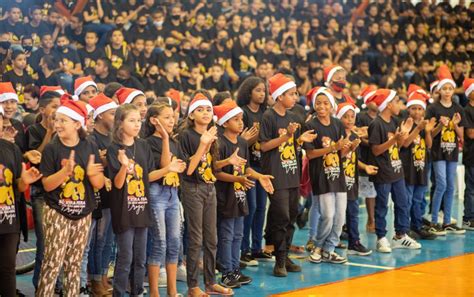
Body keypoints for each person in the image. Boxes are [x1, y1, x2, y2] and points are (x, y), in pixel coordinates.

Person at [106, 104, 178, 296]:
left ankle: (137, 291)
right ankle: (119, 292)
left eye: (139, 120)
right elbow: (118, 184)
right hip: (124, 210)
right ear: (120, 123)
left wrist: (167, 167)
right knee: (125, 256)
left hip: (142, 207)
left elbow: (147, 177)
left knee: (140, 257)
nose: (137, 124)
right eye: (131, 120)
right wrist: (123, 167)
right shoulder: (114, 148)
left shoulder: (143, 145)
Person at [37, 99, 105, 296]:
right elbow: (47, 185)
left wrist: (93, 174)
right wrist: (65, 172)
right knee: (52, 262)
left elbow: (99, 184)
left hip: (83, 213)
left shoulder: (89, 145)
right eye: (56, 120)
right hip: (57, 212)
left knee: (74, 265)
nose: (57, 124)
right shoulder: (52, 148)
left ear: (77, 124)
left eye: (63, 120)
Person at [260, 73, 316, 276]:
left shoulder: (293, 117)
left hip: (292, 174)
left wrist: (299, 139)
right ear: (280, 96)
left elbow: (290, 144)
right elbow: (265, 146)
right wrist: (286, 136)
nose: (296, 97)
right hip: (276, 175)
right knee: (281, 216)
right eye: (292, 94)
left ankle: (285, 255)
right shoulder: (268, 116)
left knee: (292, 215)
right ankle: (279, 259)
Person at [177, 93, 233, 296]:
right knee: (195, 239)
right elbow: (189, 169)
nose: (205, 113)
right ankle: (193, 286)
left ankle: (210, 282)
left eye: (208, 109)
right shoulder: (186, 136)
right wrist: (203, 143)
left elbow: (209, 164)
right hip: (192, 189)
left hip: (210, 187)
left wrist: (227, 162)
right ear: (191, 115)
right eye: (200, 110)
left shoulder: (212, 133)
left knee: (212, 238)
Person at [213, 100, 274, 288]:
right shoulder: (220, 142)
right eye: (236, 120)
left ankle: (234, 269)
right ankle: (226, 272)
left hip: (240, 195)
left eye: (241, 119)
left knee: (238, 234)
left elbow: (246, 168)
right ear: (224, 123)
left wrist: (259, 176)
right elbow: (215, 172)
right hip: (225, 196)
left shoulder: (241, 141)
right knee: (226, 234)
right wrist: (237, 180)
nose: (241, 123)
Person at [365, 89, 422, 253]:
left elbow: (398, 146)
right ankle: (381, 237)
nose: (400, 105)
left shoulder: (395, 121)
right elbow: (375, 150)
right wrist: (394, 139)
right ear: (388, 104)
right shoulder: (376, 124)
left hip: (397, 170)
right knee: (382, 205)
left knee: (402, 204)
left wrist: (405, 134)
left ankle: (400, 235)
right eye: (397, 101)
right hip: (383, 172)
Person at [144, 103, 187, 297]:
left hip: (173, 194)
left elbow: (178, 167)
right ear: (154, 120)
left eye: (173, 117)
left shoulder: (176, 142)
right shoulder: (147, 143)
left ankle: (172, 290)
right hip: (156, 194)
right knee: (159, 242)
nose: (172, 120)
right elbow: (162, 167)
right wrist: (166, 139)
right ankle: (154, 292)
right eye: (167, 117)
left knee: (175, 242)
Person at [0, 104, 43, 297]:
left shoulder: (12, 149)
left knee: (8, 268)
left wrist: (24, 181)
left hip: (9, 218)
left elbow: (18, 185)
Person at [304, 88, 351, 264]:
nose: (321, 106)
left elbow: (341, 153)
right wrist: (333, 148)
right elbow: (310, 154)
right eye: (318, 103)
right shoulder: (311, 125)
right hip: (321, 176)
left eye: (325, 103)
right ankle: (317, 245)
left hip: (337, 175)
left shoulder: (338, 124)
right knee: (328, 215)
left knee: (340, 216)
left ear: (332, 106)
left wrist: (348, 148)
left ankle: (329, 249)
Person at [236, 76, 272, 265]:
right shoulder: (243, 113)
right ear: (249, 91)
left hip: (262, 166)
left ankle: (257, 247)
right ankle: (244, 249)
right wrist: (255, 135)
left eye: (264, 90)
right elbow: (240, 143)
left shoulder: (267, 113)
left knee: (260, 208)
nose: (262, 93)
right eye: (258, 90)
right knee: (249, 208)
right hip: (247, 167)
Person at [426, 65, 466, 235]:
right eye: (445, 88)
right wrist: (440, 127)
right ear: (439, 90)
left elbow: (461, 135)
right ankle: (434, 220)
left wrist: (455, 125)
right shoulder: (433, 108)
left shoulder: (458, 109)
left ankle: (447, 221)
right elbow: (430, 133)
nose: (448, 91)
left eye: (450, 88)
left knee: (450, 186)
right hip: (438, 152)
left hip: (452, 152)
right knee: (441, 184)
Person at [85, 93, 118, 295]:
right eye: (112, 113)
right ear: (98, 116)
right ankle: (95, 280)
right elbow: (94, 164)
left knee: (107, 240)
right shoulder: (92, 138)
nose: (115, 117)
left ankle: (104, 276)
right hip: (97, 194)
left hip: (112, 192)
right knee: (97, 240)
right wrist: (105, 159)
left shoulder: (112, 137)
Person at [337, 102, 377, 256]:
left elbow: (354, 159)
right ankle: (328, 244)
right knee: (337, 215)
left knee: (353, 212)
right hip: (338, 181)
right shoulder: (336, 134)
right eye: (345, 117)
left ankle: (354, 243)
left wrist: (365, 167)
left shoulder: (355, 136)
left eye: (352, 116)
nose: (349, 119)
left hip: (351, 181)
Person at [400, 92, 438, 240]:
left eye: (420, 109)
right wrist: (417, 128)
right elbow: (405, 143)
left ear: (424, 110)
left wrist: (427, 131)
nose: (417, 111)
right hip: (408, 168)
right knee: (407, 200)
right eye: (413, 108)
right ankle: (405, 227)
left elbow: (428, 145)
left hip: (421, 167)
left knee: (418, 199)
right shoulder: (405, 124)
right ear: (408, 109)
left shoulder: (425, 124)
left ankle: (417, 225)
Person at [356, 85, 378, 233]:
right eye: (372, 99)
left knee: (376, 190)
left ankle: (374, 218)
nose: (375, 102)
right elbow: (357, 135)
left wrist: (369, 136)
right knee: (366, 190)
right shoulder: (361, 116)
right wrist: (373, 140)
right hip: (364, 156)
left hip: (379, 156)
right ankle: (370, 219)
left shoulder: (383, 116)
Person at [463, 78, 474, 230]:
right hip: (471, 154)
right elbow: (471, 133)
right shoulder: (466, 111)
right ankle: (468, 218)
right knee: (471, 188)